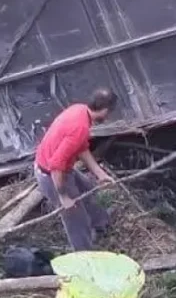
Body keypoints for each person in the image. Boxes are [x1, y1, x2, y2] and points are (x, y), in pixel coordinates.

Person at [34, 89, 118, 251]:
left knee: (89, 189)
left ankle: (101, 225)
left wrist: (100, 174)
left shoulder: (79, 110)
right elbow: (56, 165)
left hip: (63, 168)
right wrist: (64, 196)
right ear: (106, 111)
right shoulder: (79, 127)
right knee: (76, 217)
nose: (108, 118)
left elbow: (81, 148)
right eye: (109, 113)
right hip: (51, 174)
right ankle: (84, 255)